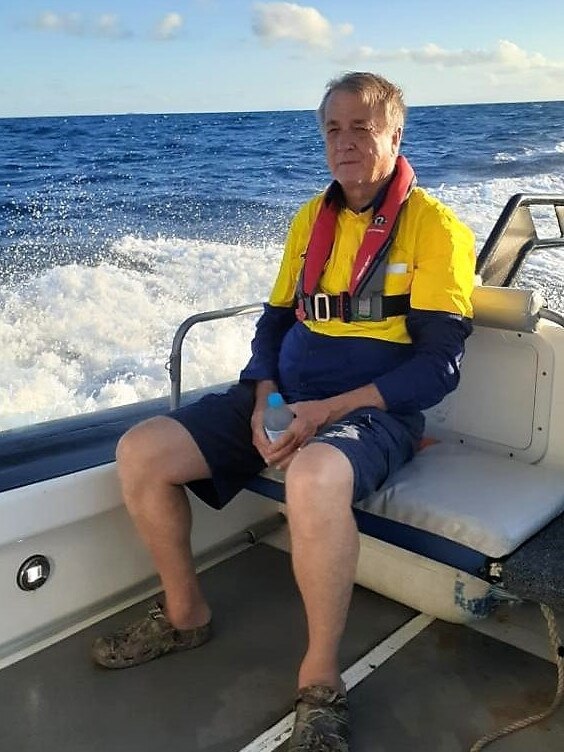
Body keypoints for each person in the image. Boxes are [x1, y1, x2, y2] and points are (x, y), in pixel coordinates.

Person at [92, 72, 475, 751]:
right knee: (141, 451)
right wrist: (264, 394)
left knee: (313, 478)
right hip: (283, 396)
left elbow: (438, 366)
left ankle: (321, 682)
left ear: (394, 135)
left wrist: (328, 410)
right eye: (333, 128)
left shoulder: (437, 228)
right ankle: (186, 615)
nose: (345, 141)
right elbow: (272, 325)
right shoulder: (310, 219)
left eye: (362, 127)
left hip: (373, 411)